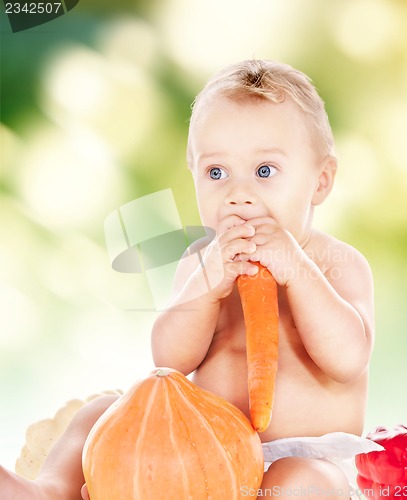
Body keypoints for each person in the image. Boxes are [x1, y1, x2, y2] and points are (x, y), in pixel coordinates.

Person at [0, 59, 379, 499]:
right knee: (102, 412)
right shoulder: (202, 263)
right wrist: (205, 288)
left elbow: (349, 358)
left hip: (309, 455)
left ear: (320, 181)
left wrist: (298, 273)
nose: (238, 194)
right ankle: (48, 490)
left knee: (300, 483)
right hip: (203, 454)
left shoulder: (339, 264)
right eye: (216, 173)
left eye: (264, 171)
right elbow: (170, 361)